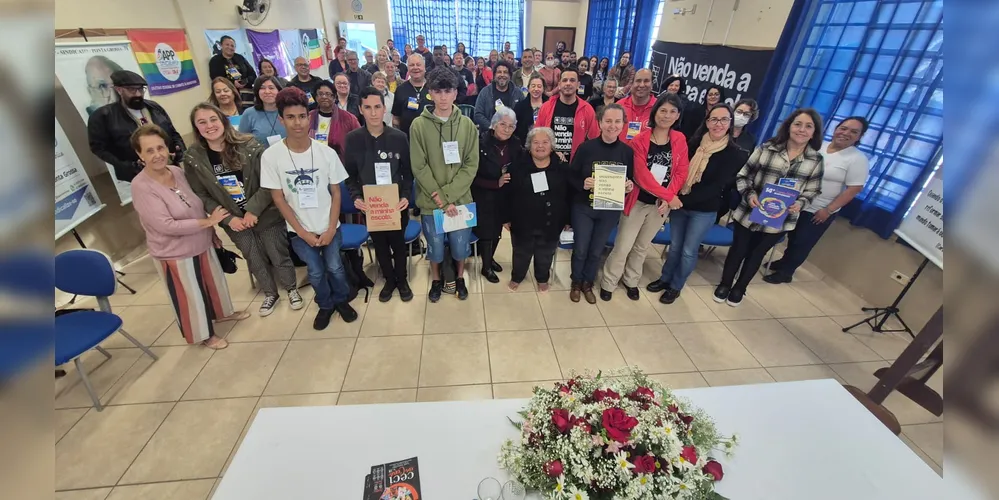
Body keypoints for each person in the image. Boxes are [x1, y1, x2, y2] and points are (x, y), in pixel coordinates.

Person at [129, 124, 248, 349]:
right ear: (139, 155)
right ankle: (204, 335)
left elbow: (196, 205)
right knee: (190, 295)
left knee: (213, 284)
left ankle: (222, 314)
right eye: (150, 151)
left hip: (202, 242)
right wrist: (209, 222)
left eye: (160, 148)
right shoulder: (141, 186)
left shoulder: (176, 171)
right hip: (174, 252)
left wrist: (211, 232)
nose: (158, 155)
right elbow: (165, 225)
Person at [184, 103, 303, 316]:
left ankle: (292, 289)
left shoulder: (249, 144)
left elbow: (269, 181)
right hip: (233, 220)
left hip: (265, 213)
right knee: (253, 257)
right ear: (196, 127)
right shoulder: (193, 157)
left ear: (223, 121)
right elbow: (200, 194)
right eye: (202, 122)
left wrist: (253, 211)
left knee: (278, 253)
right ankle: (270, 293)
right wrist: (228, 219)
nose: (209, 126)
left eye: (213, 119)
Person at [261, 87, 359, 329]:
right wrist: (303, 232)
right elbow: (279, 199)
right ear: (281, 119)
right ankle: (325, 305)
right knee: (315, 272)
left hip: (329, 226)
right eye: (291, 117)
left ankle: (341, 299)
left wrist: (330, 228)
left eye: (302, 116)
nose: (298, 123)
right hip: (299, 231)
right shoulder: (271, 157)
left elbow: (336, 192)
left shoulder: (325, 153)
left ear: (309, 116)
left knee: (335, 267)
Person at [716, 108, 825, 306]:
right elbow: (743, 175)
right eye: (797, 124)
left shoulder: (816, 160)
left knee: (757, 254)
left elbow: (813, 190)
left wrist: (799, 204)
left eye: (808, 126)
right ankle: (724, 284)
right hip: (750, 211)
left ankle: (740, 288)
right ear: (789, 126)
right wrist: (749, 194)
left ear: (815, 131)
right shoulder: (768, 147)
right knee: (738, 250)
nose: (802, 130)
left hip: (780, 219)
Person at [646, 103, 748, 303]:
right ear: (707, 122)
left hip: (703, 210)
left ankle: (676, 286)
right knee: (674, 246)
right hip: (679, 205)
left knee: (688, 250)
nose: (718, 124)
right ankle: (665, 278)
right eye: (713, 119)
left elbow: (717, 186)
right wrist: (672, 197)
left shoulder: (735, 154)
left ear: (730, 123)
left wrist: (676, 200)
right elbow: (679, 172)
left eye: (723, 119)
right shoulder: (693, 144)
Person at [601, 93, 689, 301]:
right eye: (663, 110)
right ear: (655, 112)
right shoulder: (639, 140)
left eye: (672, 112)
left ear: (678, 116)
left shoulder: (680, 139)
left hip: (660, 206)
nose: (666, 116)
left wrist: (667, 199)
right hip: (638, 202)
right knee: (623, 245)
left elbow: (681, 171)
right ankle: (609, 281)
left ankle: (631, 280)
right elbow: (641, 176)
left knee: (641, 247)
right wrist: (668, 195)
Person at [765, 117, 869, 284]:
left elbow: (854, 189)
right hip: (795, 201)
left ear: (859, 137)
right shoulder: (819, 145)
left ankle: (786, 272)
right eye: (843, 128)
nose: (846, 133)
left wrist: (828, 210)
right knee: (790, 236)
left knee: (802, 241)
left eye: (854, 132)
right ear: (836, 129)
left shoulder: (857, 159)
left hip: (819, 209)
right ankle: (784, 262)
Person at [409, 68, 480, 302]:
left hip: (461, 202)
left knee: (461, 249)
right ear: (430, 93)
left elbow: (471, 165)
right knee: (436, 250)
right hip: (431, 203)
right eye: (437, 91)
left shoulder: (468, 125)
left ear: (455, 93)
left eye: (447, 91)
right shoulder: (418, 126)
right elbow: (419, 167)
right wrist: (441, 199)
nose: (442, 97)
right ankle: (437, 280)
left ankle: (459, 278)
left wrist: (449, 196)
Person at [344, 87, 415, 302]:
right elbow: (350, 176)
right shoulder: (353, 139)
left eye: (377, 107)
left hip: (395, 203)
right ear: (360, 110)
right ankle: (389, 280)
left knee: (398, 244)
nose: (373, 113)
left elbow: (407, 173)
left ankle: (401, 280)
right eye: (368, 108)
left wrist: (404, 196)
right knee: (380, 245)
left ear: (384, 108)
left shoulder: (399, 137)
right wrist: (357, 198)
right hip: (371, 205)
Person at [567, 104, 635, 304]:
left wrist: (628, 186)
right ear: (599, 123)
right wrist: (583, 183)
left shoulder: (626, 152)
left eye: (617, 121)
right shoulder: (586, 148)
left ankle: (588, 283)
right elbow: (571, 177)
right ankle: (576, 282)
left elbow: (628, 178)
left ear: (623, 125)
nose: (612, 125)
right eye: (608, 121)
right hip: (584, 208)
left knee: (597, 250)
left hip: (609, 210)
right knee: (581, 248)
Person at [504, 126, 571, 292]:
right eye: (536, 142)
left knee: (546, 253)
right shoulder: (517, 166)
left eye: (545, 142)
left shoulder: (562, 168)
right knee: (521, 253)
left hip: (551, 221)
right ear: (529, 145)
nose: (540, 146)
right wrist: (506, 217)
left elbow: (569, 196)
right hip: (522, 222)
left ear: (552, 145)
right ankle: (517, 276)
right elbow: (507, 194)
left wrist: (568, 220)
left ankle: (542, 277)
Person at [88, 70, 186, 183]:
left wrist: (180, 150)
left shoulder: (154, 108)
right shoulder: (103, 116)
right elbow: (98, 148)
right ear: (119, 90)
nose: (138, 94)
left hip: (169, 168)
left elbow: (173, 133)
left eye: (140, 89)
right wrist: (127, 166)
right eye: (132, 90)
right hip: (138, 176)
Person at [473, 107, 522, 283]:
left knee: (498, 231)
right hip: (483, 194)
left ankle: (490, 259)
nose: (506, 129)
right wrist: (495, 183)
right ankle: (485, 267)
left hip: (505, 196)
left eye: (511, 126)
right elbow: (472, 176)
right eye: (503, 124)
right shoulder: (480, 144)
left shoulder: (516, 144)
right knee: (487, 231)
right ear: (494, 124)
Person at [534, 68, 599, 162]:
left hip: (577, 164)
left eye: (572, 80)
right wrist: (551, 151)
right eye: (564, 80)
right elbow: (537, 136)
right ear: (559, 85)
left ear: (578, 85)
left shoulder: (587, 109)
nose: (568, 83)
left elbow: (595, 140)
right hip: (550, 162)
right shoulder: (546, 107)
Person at [309, 79, 361, 160]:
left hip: (339, 164)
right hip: (313, 162)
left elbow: (359, 142)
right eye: (320, 94)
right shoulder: (309, 117)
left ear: (334, 97)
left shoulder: (348, 118)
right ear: (315, 97)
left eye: (328, 94)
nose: (324, 97)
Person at [473, 61, 521, 131]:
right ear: (494, 75)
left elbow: (523, 115)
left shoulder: (518, 93)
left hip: (512, 134)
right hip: (489, 134)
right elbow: (478, 114)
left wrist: (511, 128)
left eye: (505, 72)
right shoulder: (485, 92)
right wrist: (492, 128)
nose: (502, 75)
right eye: (499, 72)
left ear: (510, 76)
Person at [238, 76, 286, 146]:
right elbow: (242, 141)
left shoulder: (288, 111)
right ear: (257, 92)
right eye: (262, 88)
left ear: (279, 90)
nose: (267, 91)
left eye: (271, 88)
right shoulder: (249, 113)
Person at [209, 35, 256, 105]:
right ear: (221, 46)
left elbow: (253, 74)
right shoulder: (215, 61)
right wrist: (232, 83)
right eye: (227, 45)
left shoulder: (240, 58)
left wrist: (245, 81)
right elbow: (216, 79)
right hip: (228, 96)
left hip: (247, 95)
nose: (230, 47)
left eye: (232, 46)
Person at [392, 54, 432, 136]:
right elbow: (396, 119)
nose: (415, 67)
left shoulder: (433, 88)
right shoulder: (400, 89)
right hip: (407, 138)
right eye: (411, 65)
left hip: (430, 137)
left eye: (418, 64)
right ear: (408, 68)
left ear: (424, 68)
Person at [617, 69, 655, 143]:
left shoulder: (659, 108)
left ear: (652, 85)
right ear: (632, 84)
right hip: (621, 153)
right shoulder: (619, 106)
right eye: (638, 81)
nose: (641, 85)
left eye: (646, 81)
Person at [513, 74, 547, 143]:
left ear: (543, 89)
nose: (536, 89)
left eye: (539, 86)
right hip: (524, 144)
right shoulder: (520, 106)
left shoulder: (549, 105)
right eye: (533, 86)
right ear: (528, 88)